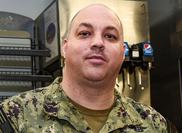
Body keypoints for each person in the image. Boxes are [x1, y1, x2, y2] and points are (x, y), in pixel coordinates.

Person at [0, 4, 168, 133]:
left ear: (122, 53)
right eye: (85, 33)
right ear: (65, 47)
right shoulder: (13, 116)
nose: (98, 43)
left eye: (110, 36)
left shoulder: (153, 124)